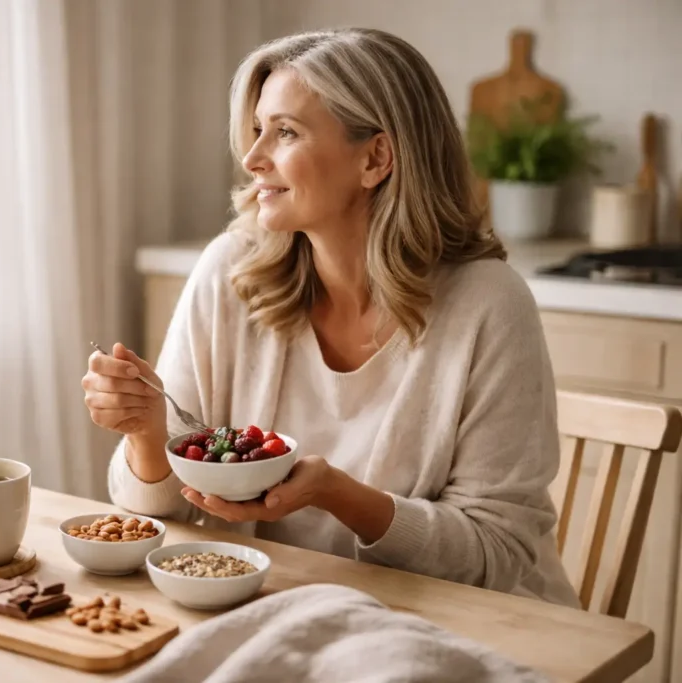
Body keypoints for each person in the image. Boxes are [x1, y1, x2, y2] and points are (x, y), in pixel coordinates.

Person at [81, 28, 579, 608]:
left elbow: (495, 554)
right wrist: (145, 434)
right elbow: (156, 511)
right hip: (287, 607)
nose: (253, 157)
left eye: (285, 132)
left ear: (375, 158)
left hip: (471, 624)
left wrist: (338, 495)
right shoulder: (231, 274)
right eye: (257, 128)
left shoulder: (489, 304)